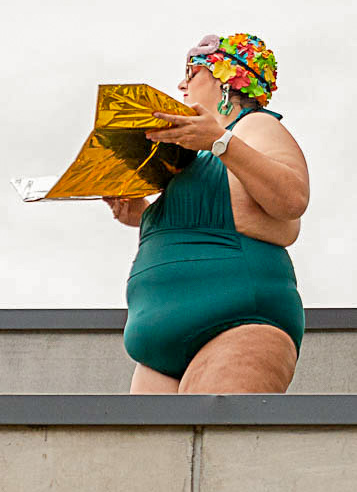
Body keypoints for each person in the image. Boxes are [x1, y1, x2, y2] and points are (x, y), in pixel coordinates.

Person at [104, 34, 308, 394]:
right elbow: (202, 219)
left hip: (239, 326)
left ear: (225, 79)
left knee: (212, 430)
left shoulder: (254, 126)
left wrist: (220, 141)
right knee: (147, 436)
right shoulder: (193, 155)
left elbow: (292, 198)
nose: (181, 85)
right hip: (156, 353)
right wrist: (139, 213)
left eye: (191, 73)